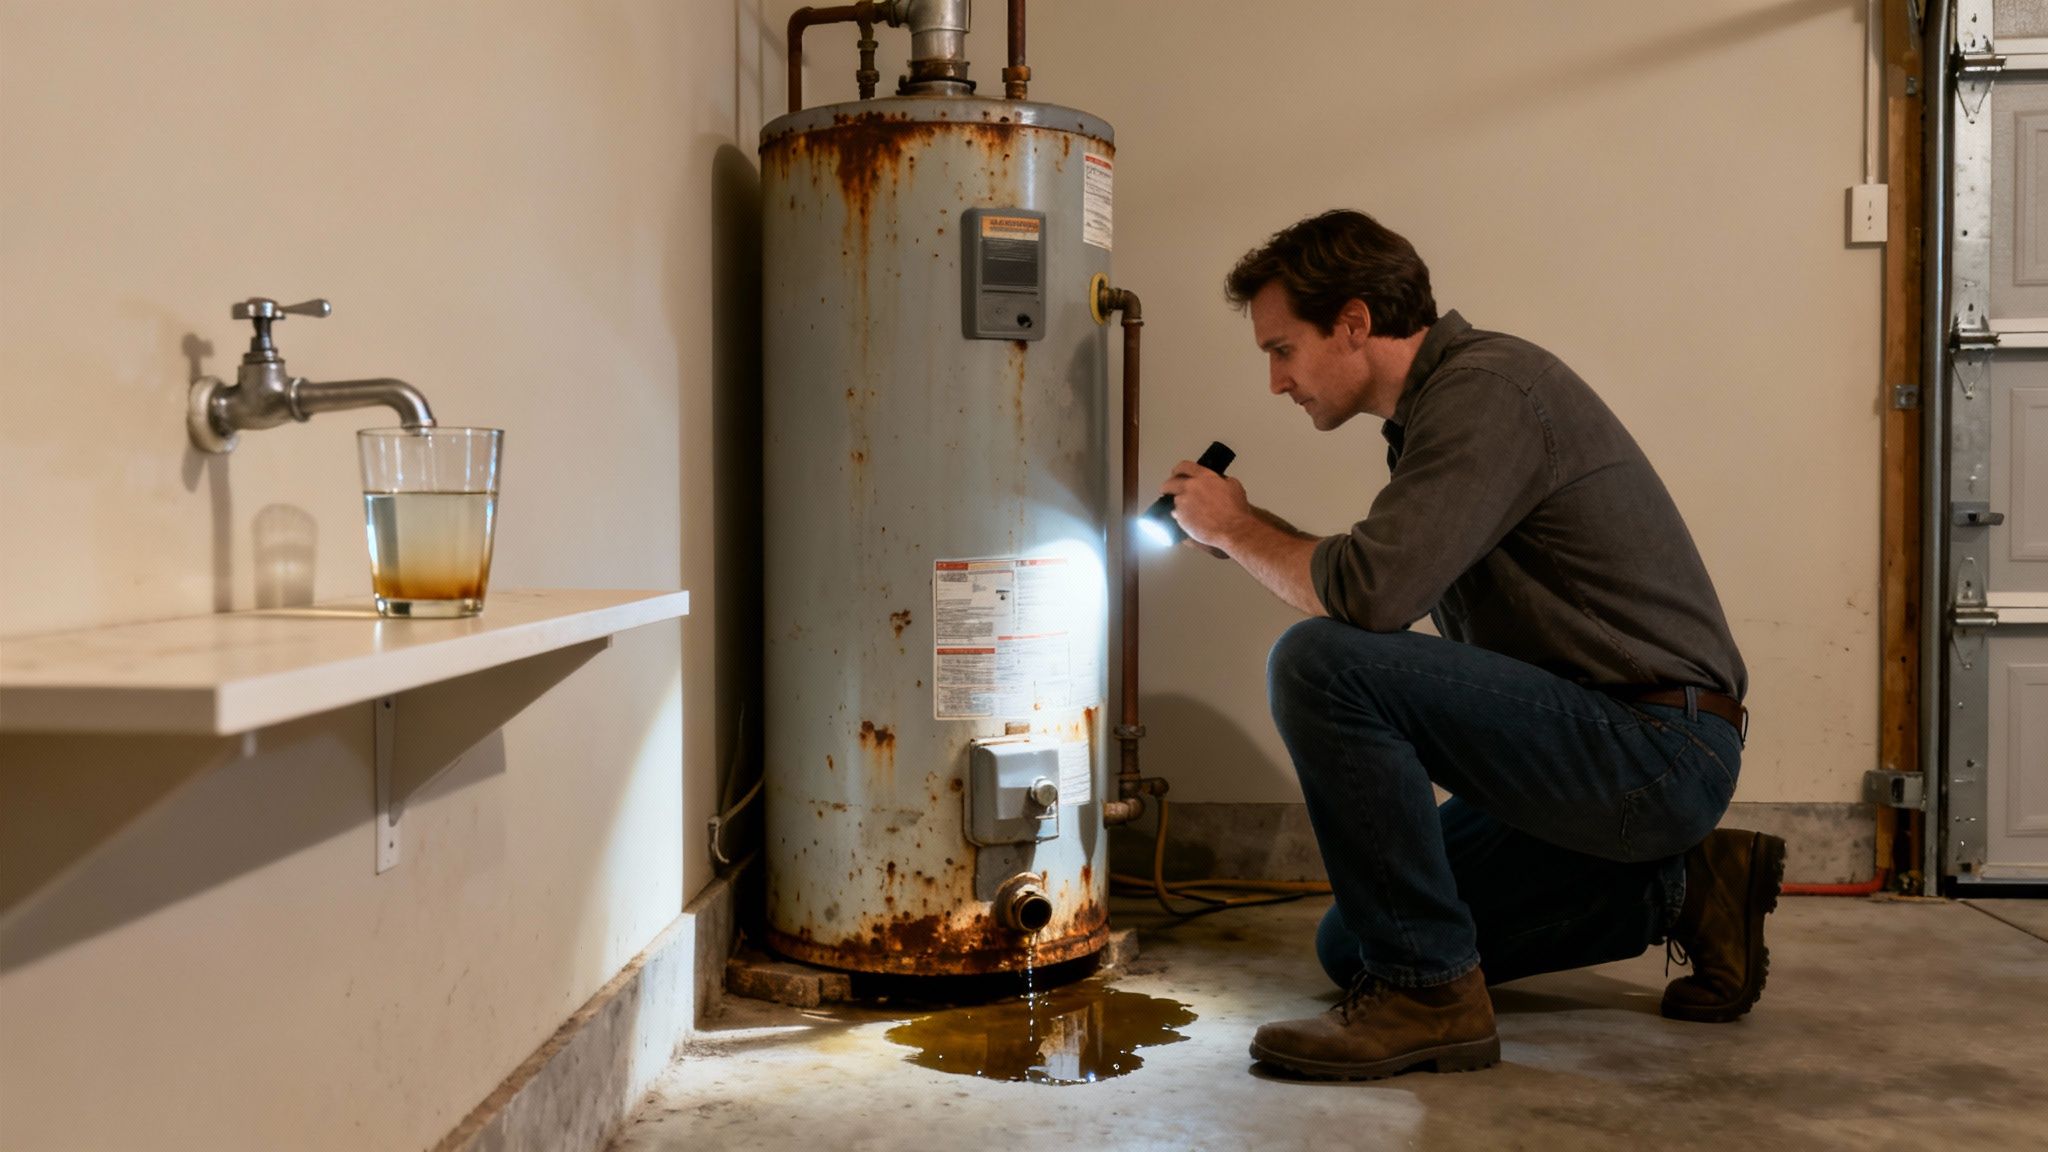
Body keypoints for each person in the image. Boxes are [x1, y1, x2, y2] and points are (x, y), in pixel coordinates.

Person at [1158, 209, 1784, 1081]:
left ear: (1353, 322)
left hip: (1652, 750)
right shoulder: (1438, 413)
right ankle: (1687, 887)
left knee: (1316, 662)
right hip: (1599, 743)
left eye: (1282, 349)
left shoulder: (1488, 392)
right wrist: (1246, 527)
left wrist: (1234, 532)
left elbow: (1369, 601)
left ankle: (1429, 1000)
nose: (1276, 381)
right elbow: (1382, 590)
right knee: (1354, 944)